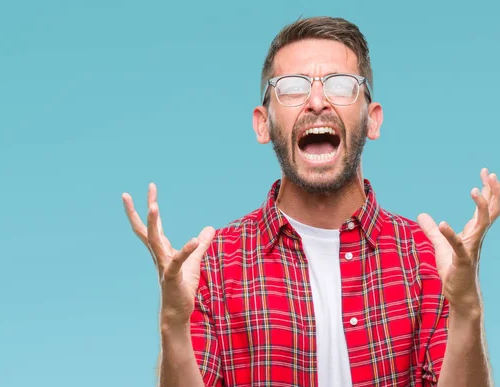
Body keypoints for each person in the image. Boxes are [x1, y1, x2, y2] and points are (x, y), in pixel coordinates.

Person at [121, 16, 497, 387]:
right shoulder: (214, 265)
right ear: (262, 123)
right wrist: (173, 321)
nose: (317, 101)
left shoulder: (428, 259)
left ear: (373, 120)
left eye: (340, 85)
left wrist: (466, 310)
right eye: (292, 88)